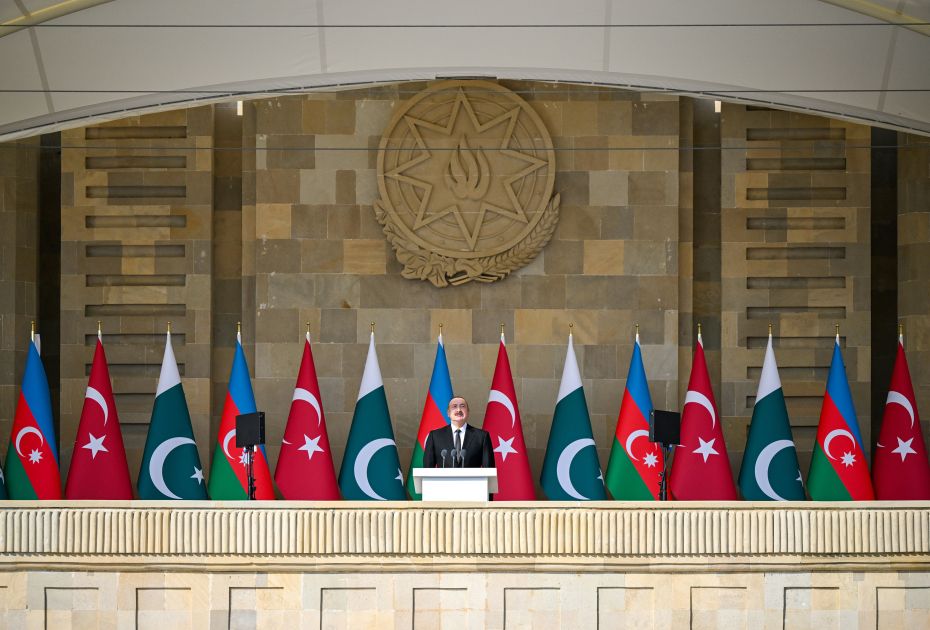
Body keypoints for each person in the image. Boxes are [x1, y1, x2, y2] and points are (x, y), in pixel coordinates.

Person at [422, 396, 495, 468]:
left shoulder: (482, 436)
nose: (458, 410)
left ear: (468, 412)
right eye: (454, 406)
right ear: (448, 413)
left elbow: (489, 469)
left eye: (462, 406)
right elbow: (428, 468)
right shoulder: (435, 436)